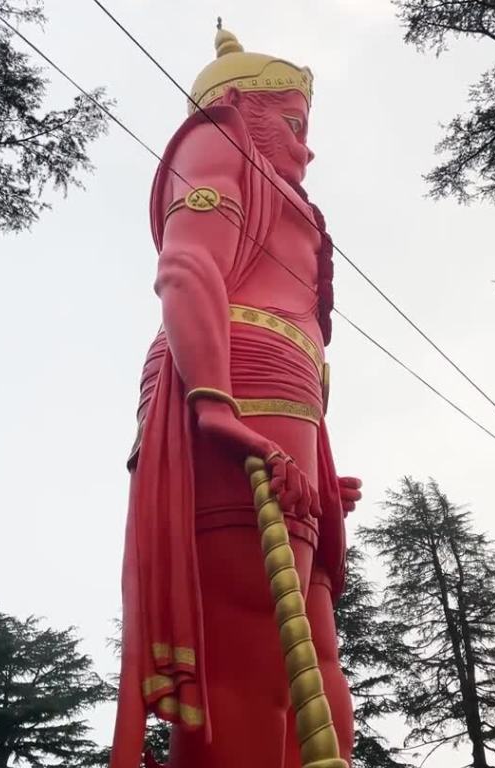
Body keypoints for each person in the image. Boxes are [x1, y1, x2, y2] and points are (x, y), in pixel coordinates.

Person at [110, 23, 362, 768]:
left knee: (313, 657)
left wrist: (318, 459)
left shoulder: (287, 199)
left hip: (288, 405)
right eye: (293, 125)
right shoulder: (216, 146)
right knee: (251, 646)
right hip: (236, 382)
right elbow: (187, 269)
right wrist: (215, 402)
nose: (306, 147)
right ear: (246, 115)